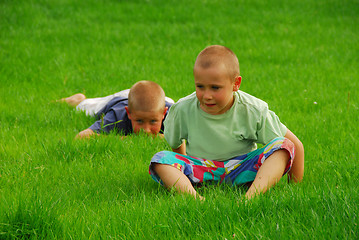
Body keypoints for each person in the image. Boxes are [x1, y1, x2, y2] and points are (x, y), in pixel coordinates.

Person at [149, 45, 304, 200]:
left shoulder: (252, 110)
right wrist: (183, 170)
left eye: (215, 88)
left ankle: (249, 199)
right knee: (160, 159)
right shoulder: (182, 109)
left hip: (243, 169)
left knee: (284, 145)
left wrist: (294, 188)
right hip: (202, 170)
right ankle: (195, 199)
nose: (207, 96)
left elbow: (295, 145)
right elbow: (175, 143)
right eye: (200, 86)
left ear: (236, 83)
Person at [61, 80, 174, 138]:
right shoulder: (117, 115)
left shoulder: (173, 115)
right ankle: (75, 99)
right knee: (84, 107)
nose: (146, 130)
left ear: (163, 113)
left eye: (153, 121)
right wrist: (129, 139)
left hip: (159, 99)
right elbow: (81, 136)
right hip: (119, 99)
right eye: (139, 121)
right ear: (129, 113)